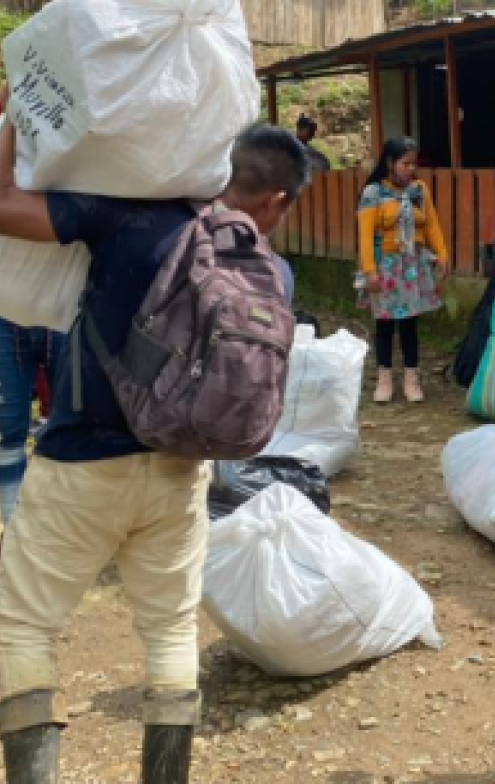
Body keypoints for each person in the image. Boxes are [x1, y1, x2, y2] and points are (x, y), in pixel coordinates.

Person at [0, 106, 308, 783]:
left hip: (82, 464)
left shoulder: (132, 222)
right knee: (170, 632)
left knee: (23, 629)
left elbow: (4, 205)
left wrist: (16, 115)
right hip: (180, 469)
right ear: (277, 199)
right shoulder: (274, 277)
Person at [357, 137, 448, 405]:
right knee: (384, 324)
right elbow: (364, 235)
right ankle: (384, 379)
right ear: (389, 163)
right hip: (384, 265)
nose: (411, 169)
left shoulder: (419, 190)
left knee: (410, 325)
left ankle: (411, 379)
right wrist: (370, 271)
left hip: (413, 265)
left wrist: (441, 253)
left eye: (413, 163)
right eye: (405, 163)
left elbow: (431, 225)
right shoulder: (373, 193)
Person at [0, 320, 65, 524]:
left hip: (67, 311)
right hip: (5, 314)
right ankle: (13, 529)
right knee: (9, 436)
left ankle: (65, 527)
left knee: (74, 431)